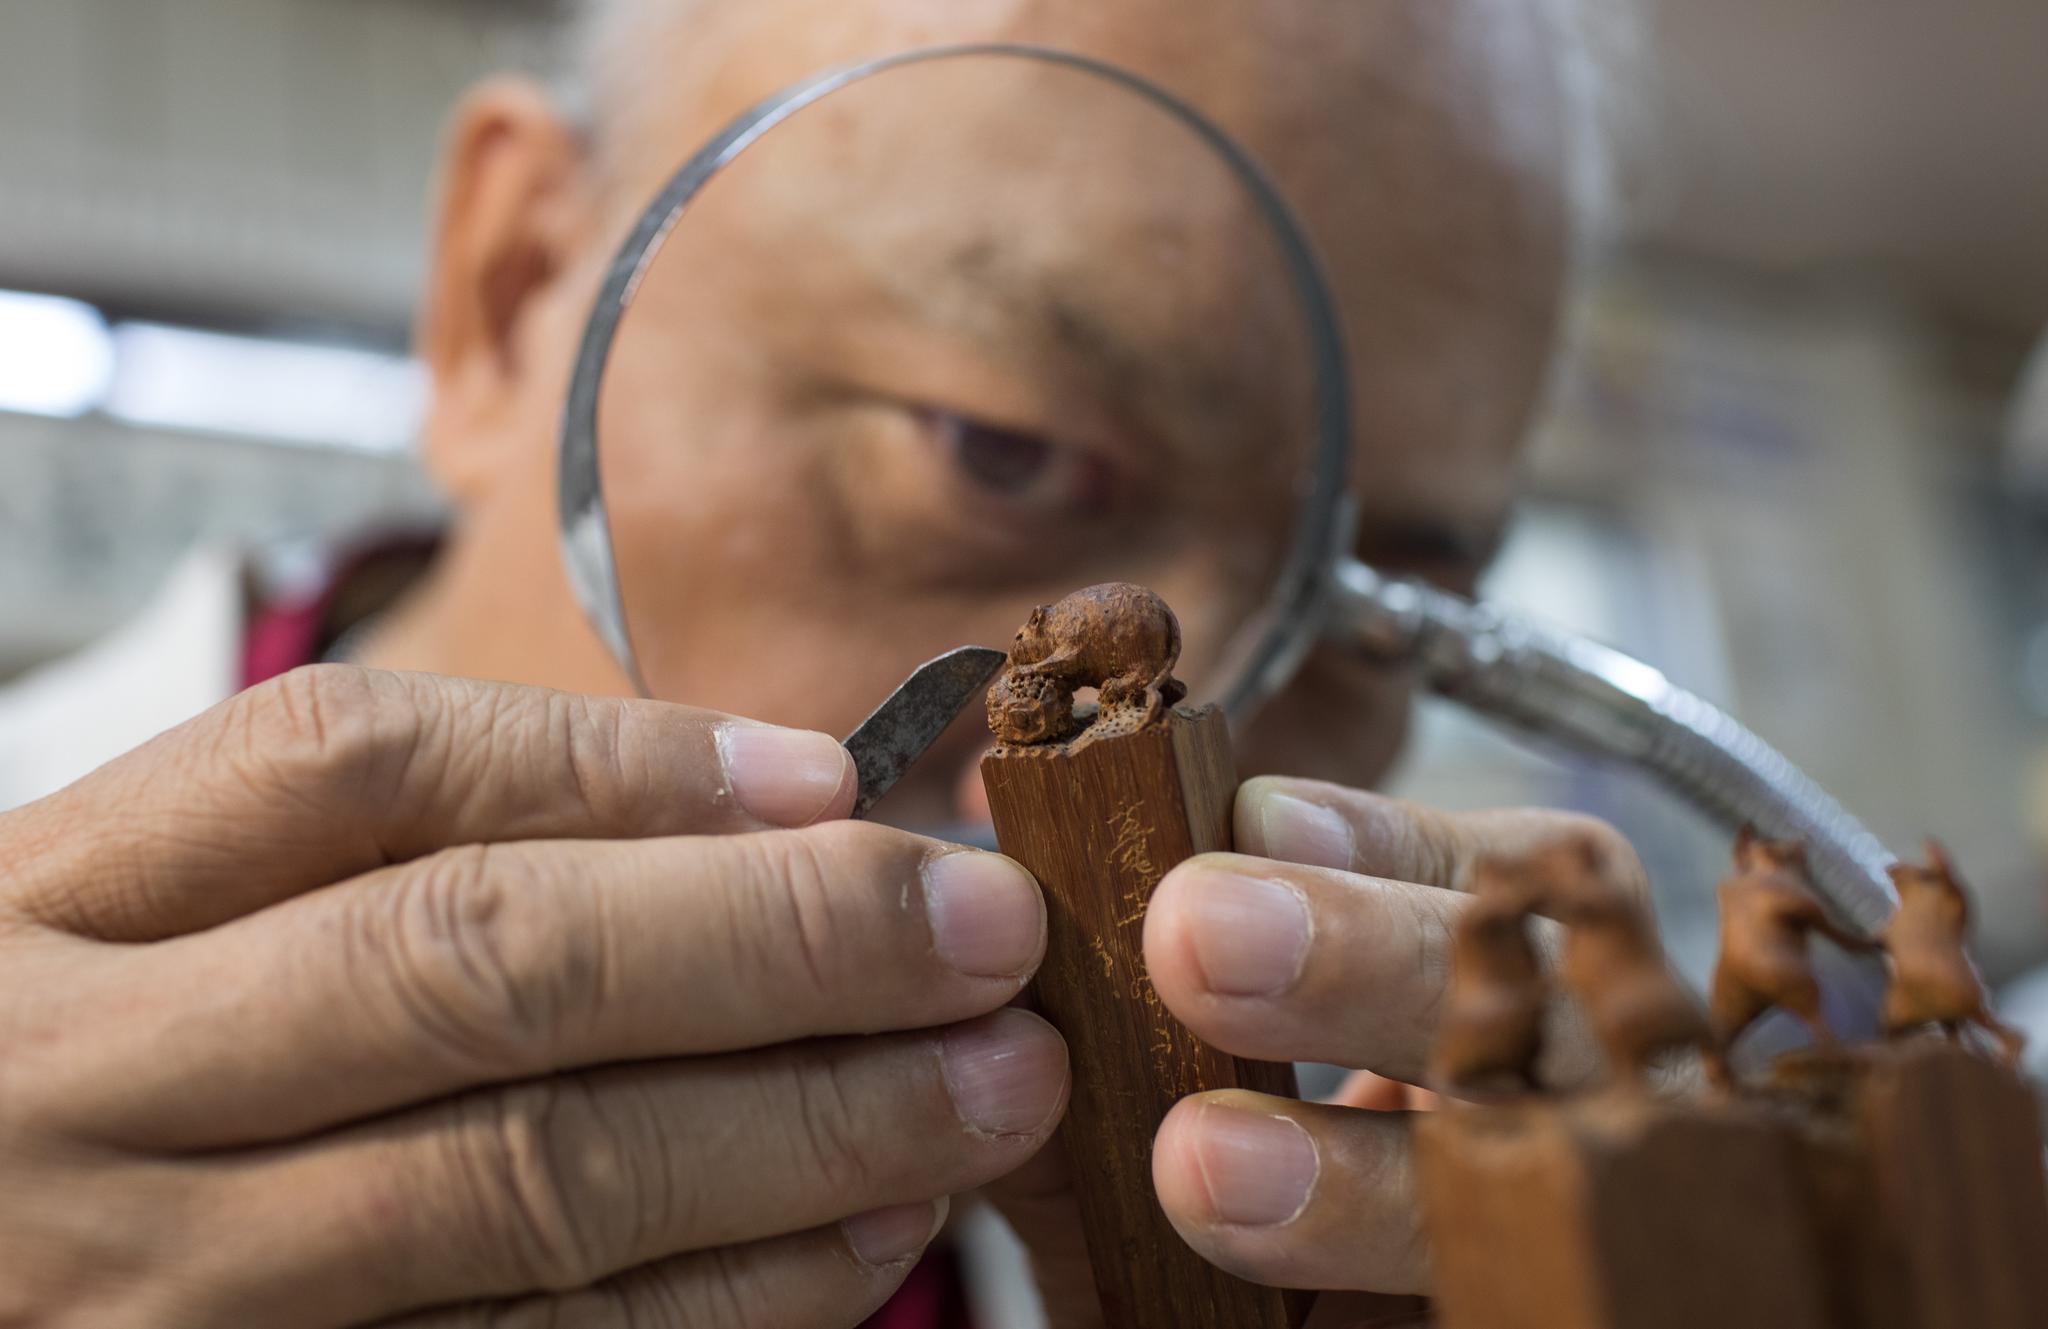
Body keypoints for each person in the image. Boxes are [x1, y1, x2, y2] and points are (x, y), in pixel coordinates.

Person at [0, 0, 1655, 1325]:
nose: (1158, 750)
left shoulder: (1297, 1201)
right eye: (1003, 452)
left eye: (1374, 605)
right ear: (510, 296)